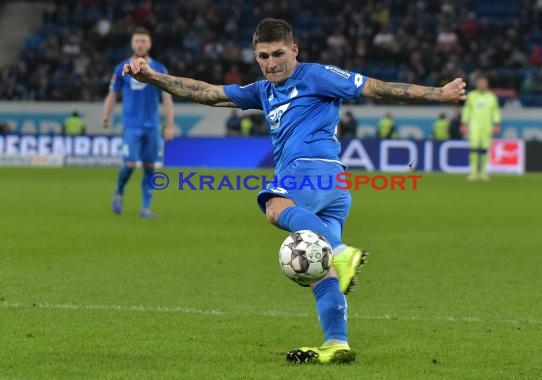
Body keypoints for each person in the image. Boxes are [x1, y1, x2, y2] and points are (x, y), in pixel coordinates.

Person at [122, 18, 466, 364]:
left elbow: (374, 87)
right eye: (263, 56)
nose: (271, 63)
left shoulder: (317, 76)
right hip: (333, 189)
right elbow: (207, 93)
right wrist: (152, 77)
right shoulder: (262, 91)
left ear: (294, 50)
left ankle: (342, 250)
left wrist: (439, 94)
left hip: (310, 173)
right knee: (321, 271)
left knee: (273, 206)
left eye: (278, 54)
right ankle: (336, 341)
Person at [102, 27, 174, 218]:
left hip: (152, 126)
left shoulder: (159, 68)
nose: (140, 44)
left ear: (149, 44)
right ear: (132, 44)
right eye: (137, 41)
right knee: (130, 164)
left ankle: (145, 207)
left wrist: (169, 124)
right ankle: (119, 190)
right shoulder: (121, 68)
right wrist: (106, 115)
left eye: (144, 41)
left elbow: (167, 97)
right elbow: (113, 94)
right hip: (131, 126)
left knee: (150, 167)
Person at [461, 75, 501, 181]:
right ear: (477, 84)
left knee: (484, 149)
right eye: (480, 83)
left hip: (487, 126)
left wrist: (496, 124)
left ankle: (483, 172)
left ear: (487, 85)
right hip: (474, 125)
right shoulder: (472, 96)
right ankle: (473, 172)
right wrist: (464, 123)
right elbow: (467, 110)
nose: (482, 85)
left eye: (484, 83)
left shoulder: (492, 97)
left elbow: (495, 111)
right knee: (473, 148)